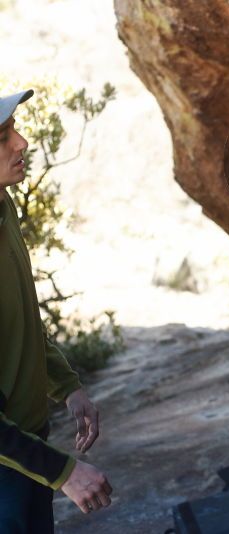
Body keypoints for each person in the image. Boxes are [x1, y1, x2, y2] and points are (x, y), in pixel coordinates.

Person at [0, 88, 113, 533]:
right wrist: (64, 471)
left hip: (25, 453)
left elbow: (20, 320)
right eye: (4, 135)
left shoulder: (3, 208)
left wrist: (67, 386)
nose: (22, 142)